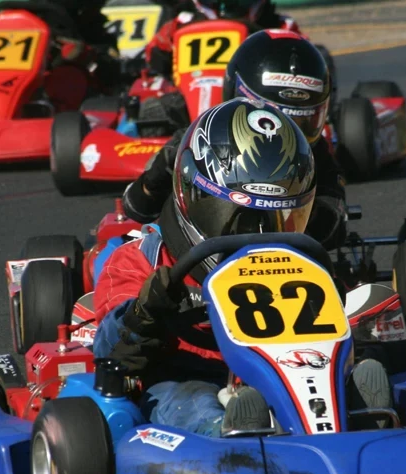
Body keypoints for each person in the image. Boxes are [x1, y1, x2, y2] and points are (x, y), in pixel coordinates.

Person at [93, 98, 390, 437]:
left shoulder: (299, 261)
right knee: (194, 403)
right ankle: (232, 435)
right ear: (193, 194)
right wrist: (143, 313)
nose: (261, 234)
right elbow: (107, 353)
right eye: (242, 219)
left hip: (291, 371)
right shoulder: (142, 260)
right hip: (190, 375)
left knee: (400, 359)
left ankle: (366, 412)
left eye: (279, 216)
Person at [123, 29, 347, 250]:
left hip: (283, 262)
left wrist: (300, 204)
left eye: (304, 120)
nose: (289, 132)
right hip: (197, 263)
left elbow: (333, 233)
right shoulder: (197, 141)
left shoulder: (315, 157)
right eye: (274, 119)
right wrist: (155, 178)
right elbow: (135, 208)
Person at [145, 1, 300, 79]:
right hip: (187, 102)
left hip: (257, 100)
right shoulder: (181, 24)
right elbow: (153, 55)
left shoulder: (280, 26)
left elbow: (307, 62)